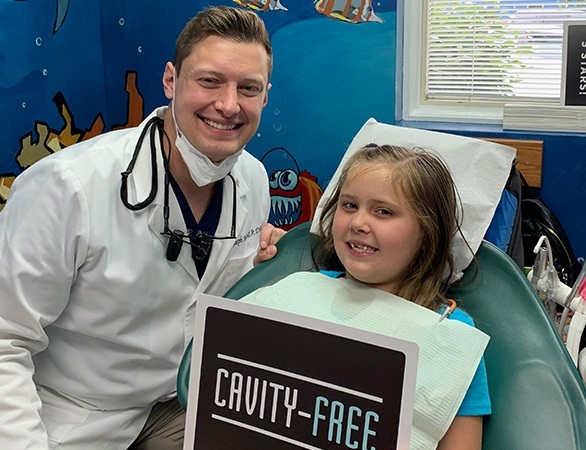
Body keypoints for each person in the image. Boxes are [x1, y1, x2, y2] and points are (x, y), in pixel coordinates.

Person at [0, 6, 284, 450]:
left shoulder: (251, 180)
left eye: (248, 88)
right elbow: (4, 339)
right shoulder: (68, 187)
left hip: (179, 399)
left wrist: (270, 267)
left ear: (264, 97)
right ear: (171, 81)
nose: (229, 105)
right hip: (72, 414)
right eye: (209, 81)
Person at [242, 143, 491, 450]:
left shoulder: (451, 341)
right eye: (349, 205)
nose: (358, 223)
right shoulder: (297, 291)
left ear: (427, 234)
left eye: (383, 211)